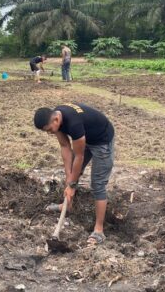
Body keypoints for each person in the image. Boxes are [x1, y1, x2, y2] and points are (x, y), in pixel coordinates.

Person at [34, 103, 115, 245]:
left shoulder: (74, 124)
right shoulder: (56, 120)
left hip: (102, 140)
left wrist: (71, 185)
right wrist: (69, 177)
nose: (49, 133)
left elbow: (79, 156)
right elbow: (65, 147)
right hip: (86, 137)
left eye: (49, 130)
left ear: (56, 120)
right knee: (72, 173)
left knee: (97, 184)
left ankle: (99, 230)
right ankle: (66, 206)